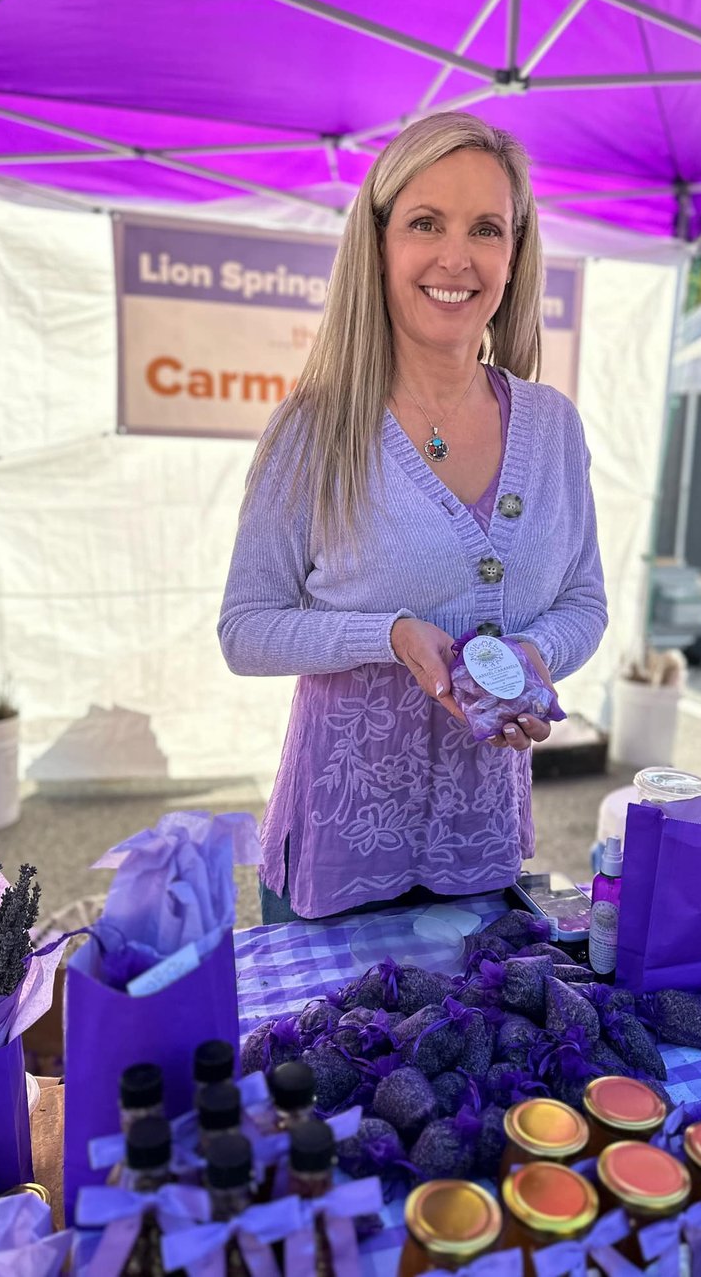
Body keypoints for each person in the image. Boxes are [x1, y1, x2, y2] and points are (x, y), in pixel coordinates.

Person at [218, 112, 607, 924]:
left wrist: (534, 657)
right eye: (426, 222)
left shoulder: (552, 425)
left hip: (479, 852)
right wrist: (390, 634)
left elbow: (585, 603)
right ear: (381, 241)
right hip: (336, 859)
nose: (456, 257)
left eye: (487, 229)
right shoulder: (314, 428)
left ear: (515, 253)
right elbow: (245, 629)